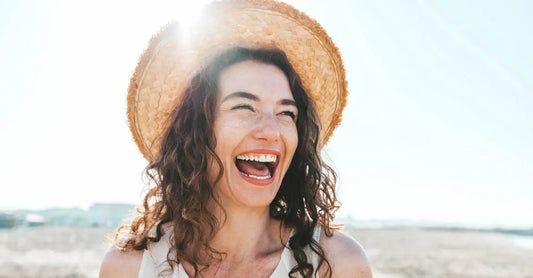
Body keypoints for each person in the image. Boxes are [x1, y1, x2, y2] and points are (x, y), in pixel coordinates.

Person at [100, 0, 371, 277]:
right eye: (244, 107)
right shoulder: (129, 266)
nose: (271, 131)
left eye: (286, 113)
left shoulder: (336, 263)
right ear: (194, 127)